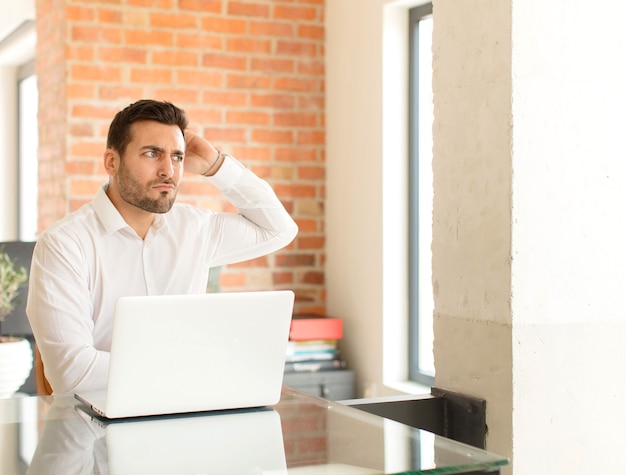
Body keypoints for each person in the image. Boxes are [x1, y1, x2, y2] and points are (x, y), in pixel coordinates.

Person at [26, 99, 298, 395]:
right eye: (152, 153)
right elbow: (73, 375)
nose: (168, 170)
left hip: (186, 415)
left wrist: (217, 165)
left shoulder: (194, 228)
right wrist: (190, 368)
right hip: (95, 428)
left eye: (178, 157)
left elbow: (278, 229)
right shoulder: (64, 245)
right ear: (111, 162)